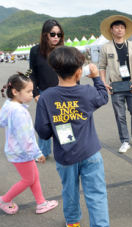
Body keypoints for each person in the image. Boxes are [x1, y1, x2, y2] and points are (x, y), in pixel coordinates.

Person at [35, 46, 109, 227]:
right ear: (78, 73)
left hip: (65, 156)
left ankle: (73, 223)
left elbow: (43, 132)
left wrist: (57, 122)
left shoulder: (46, 97)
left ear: (55, 70)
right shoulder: (86, 92)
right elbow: (103, 97)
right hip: (90, 152)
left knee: (69, 191)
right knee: (97, 194)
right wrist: (96, 78)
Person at [0, 73, 58, 215]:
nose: (32, 95)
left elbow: (2, 121)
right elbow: (26, 138)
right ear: (15, 92)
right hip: (22, 152)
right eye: (28, 91)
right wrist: (37, 154)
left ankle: (41, 203)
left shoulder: (9, 105)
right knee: (28, 179)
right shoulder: (19, 112)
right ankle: (4, 200)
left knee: (33, 176)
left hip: (16, 150)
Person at [98, 15, 132, 153]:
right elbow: (102, 66)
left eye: (122, 27)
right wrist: (103, 83)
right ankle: (124, 140)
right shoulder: (106, 47)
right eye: (116, 27)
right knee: (120, 115)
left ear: (125, 30)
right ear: (111, 30)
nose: (119, 30)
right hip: (116, 86)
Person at [29, 19, 65, 161]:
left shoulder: (64, 50)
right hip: (43, 93)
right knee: (44, 123)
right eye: (53, 34)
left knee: (63, 121)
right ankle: (42, 152)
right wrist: (35, 93)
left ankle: (65, 149)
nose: (56, 37)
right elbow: (30, 72)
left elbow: (72, 71)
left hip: (62, 92)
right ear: (45, 35)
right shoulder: (35, 51)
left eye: (59, 34)